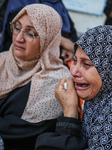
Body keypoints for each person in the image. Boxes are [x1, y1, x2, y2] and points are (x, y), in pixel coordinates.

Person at [0, 4, 72, 150]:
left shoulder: (57, 81)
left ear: (48, 39)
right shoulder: (2, 61)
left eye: (30, 33)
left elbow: (23, 133)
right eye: (17, 27)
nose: (19, 38)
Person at [35, 25, 112, 150]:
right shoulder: (96, 99)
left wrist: (70, 115)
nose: (73, 71)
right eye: (75, 60)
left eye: (86, 64)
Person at [0, 0, 78, 67]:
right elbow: (18, 28)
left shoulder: (56, 2)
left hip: (54, 60)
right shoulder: (20, 2)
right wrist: (62, 41)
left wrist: (68, 48)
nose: (18, 38)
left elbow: (72, 33)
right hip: (24, 58)